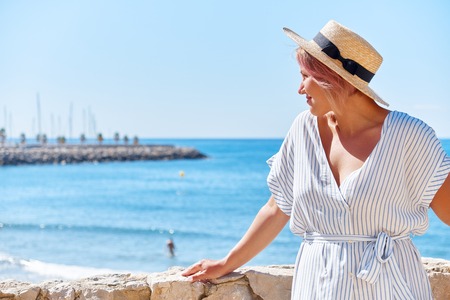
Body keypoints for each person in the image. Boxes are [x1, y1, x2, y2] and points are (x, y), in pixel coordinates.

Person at [182, 20, 450, 299]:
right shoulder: (303, 129)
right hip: (316, 284)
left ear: (333, 78)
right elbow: (276, 209)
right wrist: (226, 263)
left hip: (389, 286)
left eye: (304, 76)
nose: (300, 89)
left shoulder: (409, 136)